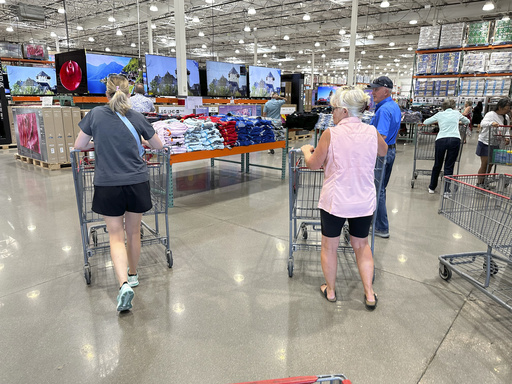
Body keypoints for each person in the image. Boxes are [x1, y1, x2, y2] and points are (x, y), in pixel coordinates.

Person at [74, 74, 163, 312]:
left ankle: (123, 284)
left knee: (115, 235)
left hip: (107, 183)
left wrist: (98, 144)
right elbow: (159, 146)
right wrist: (141, 144)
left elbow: (79, 146)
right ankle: (134, 274)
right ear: (129, 94)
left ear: (106, 94)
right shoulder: (137, 117)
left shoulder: (94, 115)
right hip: (136, 182)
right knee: (134, 232)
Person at [300, 87, 388, 310]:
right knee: (361, 245)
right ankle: (369, 293)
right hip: (363, 200)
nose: (333, 113)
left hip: (336, 201)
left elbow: (313, 164)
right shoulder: (371, 131)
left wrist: (306, 151)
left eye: (335, 109)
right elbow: (384, 151)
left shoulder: (331, 133)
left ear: (345, 111)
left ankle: (330, 290)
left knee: (330, 246)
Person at [368, 76, 401, 239]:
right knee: (381, 189)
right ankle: (376, 222)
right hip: (391, 151)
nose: (372, 92)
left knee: (377, 190)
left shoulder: (383, 110)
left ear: (386, 91)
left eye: (376, 89)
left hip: (382, 154)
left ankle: (381, 227)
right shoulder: (393, 106)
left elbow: (380, 136)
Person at [423, 99, 469, 194]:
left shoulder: (439, 114)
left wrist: (437, 122)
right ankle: (446, 190)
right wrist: (458, 121)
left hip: (441, 140)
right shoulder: (457, 113)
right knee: (449, 166)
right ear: (453, 106)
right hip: (455, 139)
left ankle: (432, 187)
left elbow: (426, 122)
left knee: (437, 164)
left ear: (443, 107)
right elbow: (467, 121)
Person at [476, 98, 511, 182]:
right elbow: (482, 123)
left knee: (491, 164)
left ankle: (484, 181)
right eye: (507, 107)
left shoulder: (506, 117)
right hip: (486, 142)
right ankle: (480, 182)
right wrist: (491, 123)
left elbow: (506, 129)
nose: (509, 109)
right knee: (485, 164)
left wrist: (507, 137)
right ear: (500, 107)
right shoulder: (491, 114)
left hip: (496, 143)